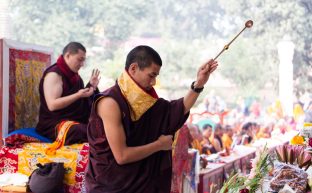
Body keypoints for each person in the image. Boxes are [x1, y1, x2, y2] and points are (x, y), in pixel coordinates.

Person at [85, 45, 218, 193]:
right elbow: (121, 156)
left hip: (141, 185)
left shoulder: (148, 103)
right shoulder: (110, 102)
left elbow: (176, 111)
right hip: (111, 186)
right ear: (133, 68)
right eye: (151, 75)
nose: (154, 82)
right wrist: (159, 145)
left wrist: (198, 84)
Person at [36, 42, 100, 147]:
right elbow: (52, 105)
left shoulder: (75, 76)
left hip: (73, 119)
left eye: (83, 60)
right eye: (80, 60)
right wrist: (78, 95)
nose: (82, 64)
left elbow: (80, 99)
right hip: (54, 124)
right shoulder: (54, 75)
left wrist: (91, 86)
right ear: (68, 55)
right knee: (86, 132)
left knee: (100, 126)